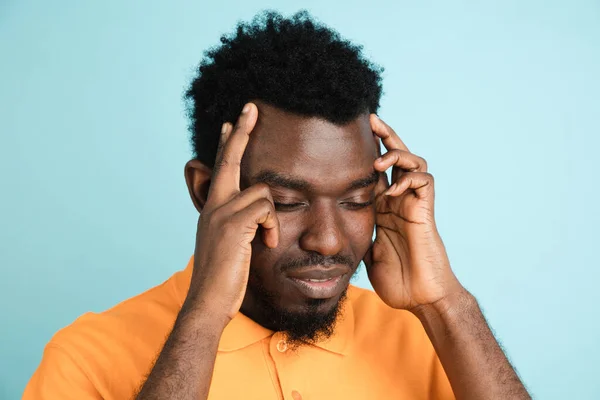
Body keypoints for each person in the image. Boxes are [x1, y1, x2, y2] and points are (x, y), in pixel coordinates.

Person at [23, 10, 529, 400]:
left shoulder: (432, 340)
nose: (328, 240)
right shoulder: (86, 357)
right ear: (205, 192)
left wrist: (445, 305)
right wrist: (202, 321)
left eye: (357, 200)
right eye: (286, 202)